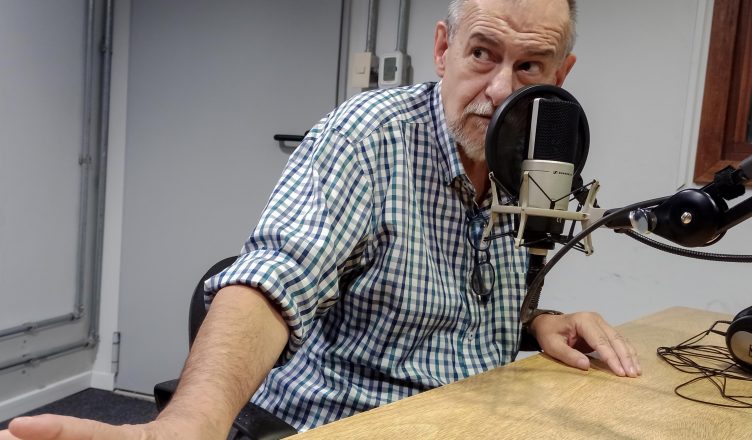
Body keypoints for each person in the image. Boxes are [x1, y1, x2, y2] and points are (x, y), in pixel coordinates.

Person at [1, 0, 641, 438]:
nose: (501, 91)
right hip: (340, 421)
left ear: (561, 76)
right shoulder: (369, 137)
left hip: (473, 416)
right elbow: (272, 281)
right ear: (443, 49)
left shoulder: (533, 162)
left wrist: (539, 322)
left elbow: (461, 308)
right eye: (482, 54)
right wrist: (190, 426)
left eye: (528, 67)